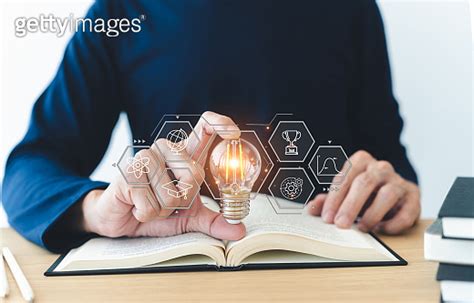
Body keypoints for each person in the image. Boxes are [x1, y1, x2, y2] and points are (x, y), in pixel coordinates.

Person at [3, 0, 420, 253]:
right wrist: (96, 210)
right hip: (172, 272)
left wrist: (395, 192)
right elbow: (31, 168)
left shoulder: (349, 9)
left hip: (331, 269)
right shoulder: (122, 12)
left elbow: (389, 162)